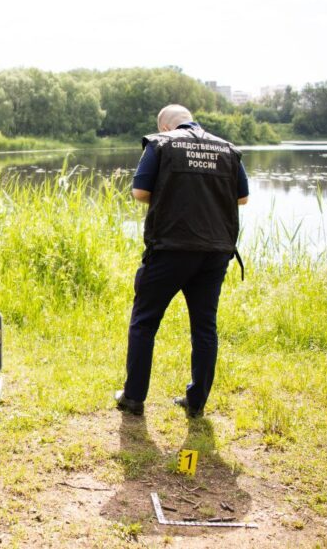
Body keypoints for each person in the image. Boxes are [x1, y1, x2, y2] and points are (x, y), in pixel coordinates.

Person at [115, 104, 249, 418]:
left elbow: (139, 191)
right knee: (204, 327)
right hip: (214, 251)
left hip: (171, 248)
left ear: (165, 126)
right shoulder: (227, 149)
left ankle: (134, 397)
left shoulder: (160, 144)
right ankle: (197, 402)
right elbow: (242, 198)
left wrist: (173, 189)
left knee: (144, 321)